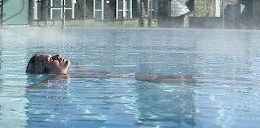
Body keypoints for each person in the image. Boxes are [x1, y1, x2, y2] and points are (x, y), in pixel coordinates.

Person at [26, 53, 196, 83]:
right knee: (189, 80)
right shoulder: (57, 78)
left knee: (188, 79)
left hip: (139, 77)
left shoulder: (71, 74)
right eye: (50, 59)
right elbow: (35, 87)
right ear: (44, 72)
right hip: (139, 80)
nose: (57, 55)